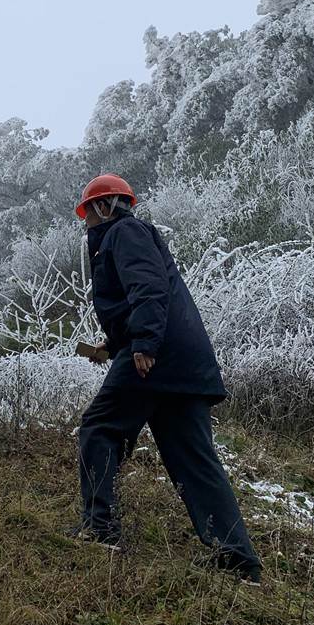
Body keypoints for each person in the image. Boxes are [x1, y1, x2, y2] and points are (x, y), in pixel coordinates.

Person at [71, 173, 262, 582]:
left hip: (157, 359)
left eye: (87, 213)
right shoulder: (133, 233)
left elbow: (150, 288)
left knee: (99, 428)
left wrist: (142, 344)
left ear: (104, 207)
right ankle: (238, 558)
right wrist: (117, 342)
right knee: (195, 461)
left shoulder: (124, 232)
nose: (85, 221)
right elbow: (145, 296)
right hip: (182, 362)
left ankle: (99, 528)